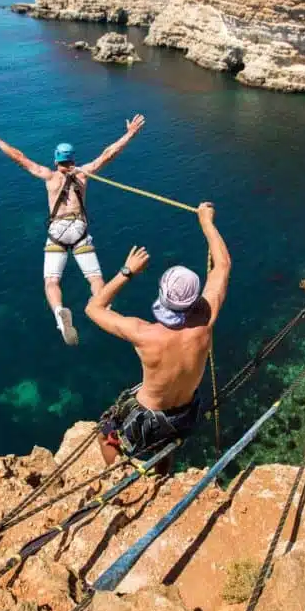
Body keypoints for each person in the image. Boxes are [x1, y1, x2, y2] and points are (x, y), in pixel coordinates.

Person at [85, 202, 232, 474]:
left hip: (146, 417)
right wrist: (206, 222)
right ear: (194, 299)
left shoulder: (145, 334)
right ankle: (162, 477)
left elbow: (93, 309)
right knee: (167, 443)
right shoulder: (205, 320)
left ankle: (115, 472)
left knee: (106, 427)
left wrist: (127, 271)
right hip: (185, 414)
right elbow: (222, 265)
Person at [0, 115, 145, 345]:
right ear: (73, 159)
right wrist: (130, 133)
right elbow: (109, 153)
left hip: (57, 232)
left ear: (56, 160)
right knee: (95, 278)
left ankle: (59, 314)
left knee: (51, 282)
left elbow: (19, 157)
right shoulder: (84, 174)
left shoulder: (48, 176)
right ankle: (103, 307)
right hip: (79, 230)